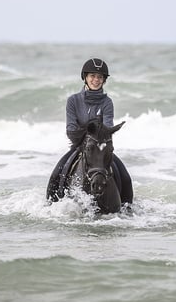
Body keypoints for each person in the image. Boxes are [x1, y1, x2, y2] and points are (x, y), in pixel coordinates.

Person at [46, 58, 133, 205]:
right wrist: (92, 128)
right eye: (92, 76)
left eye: (100, 77)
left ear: (104, 80)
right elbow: (71, 131)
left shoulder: (107, 103)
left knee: (125, 177)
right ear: (85, 78)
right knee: (56, 174)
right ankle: (49, 206)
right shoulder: (73, 101)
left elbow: (106, 130)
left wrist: (92, 129)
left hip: (101, 149)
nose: (96, 80)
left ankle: (128, 209)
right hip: (80, 147)